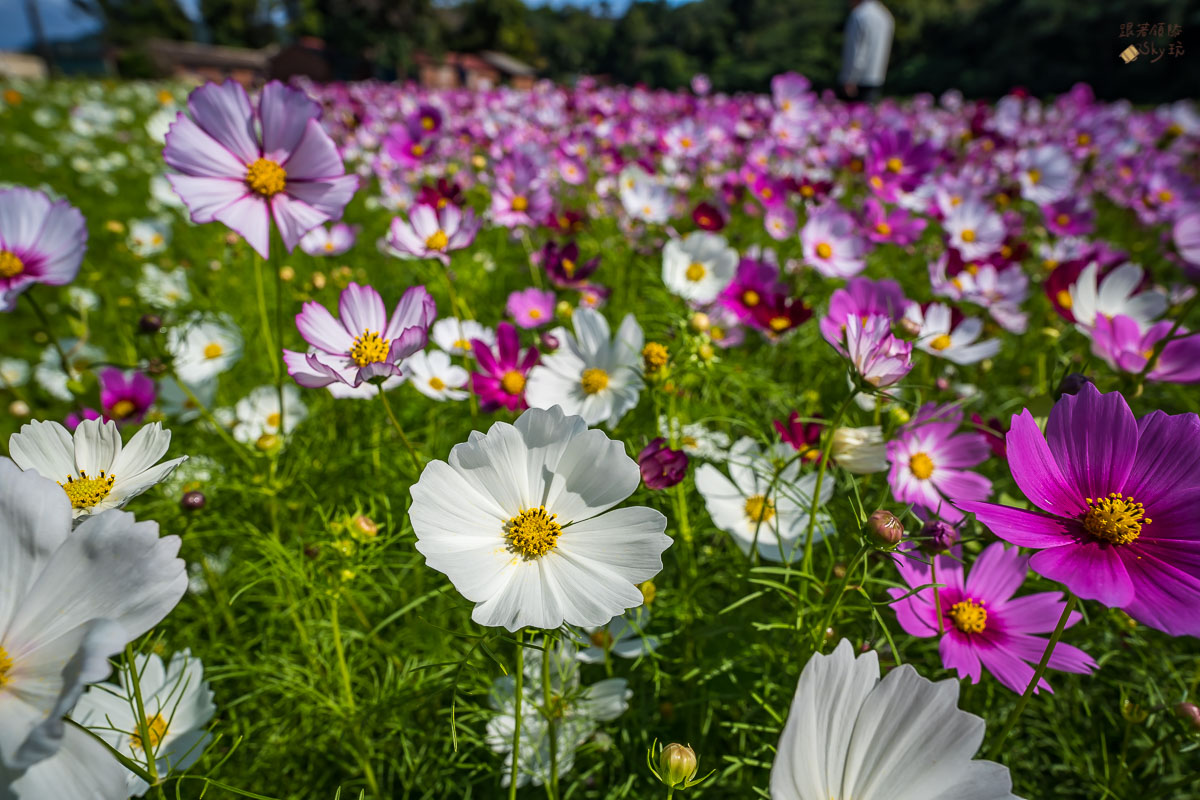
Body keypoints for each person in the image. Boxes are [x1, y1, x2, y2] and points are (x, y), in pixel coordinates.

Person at [840, 0, 895, 102]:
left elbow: (855, 50)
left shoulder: (859, 14)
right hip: (877, 76)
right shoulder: (885, 15)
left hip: (857, 80)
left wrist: (850, 78)